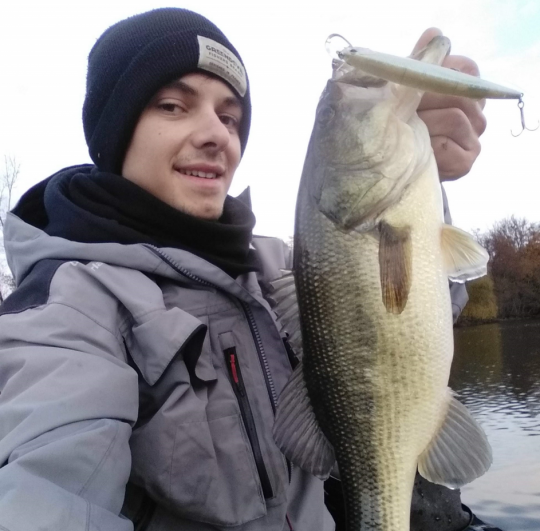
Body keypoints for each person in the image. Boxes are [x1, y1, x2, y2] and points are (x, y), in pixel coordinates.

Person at [0, 8, 500, 531]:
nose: (215, 134)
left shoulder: (278, 271)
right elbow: (43, 485)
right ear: (117, 130)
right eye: (173, 106)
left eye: (230, 116)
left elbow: (423, 309)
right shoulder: (64, 313)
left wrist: (427, 180)